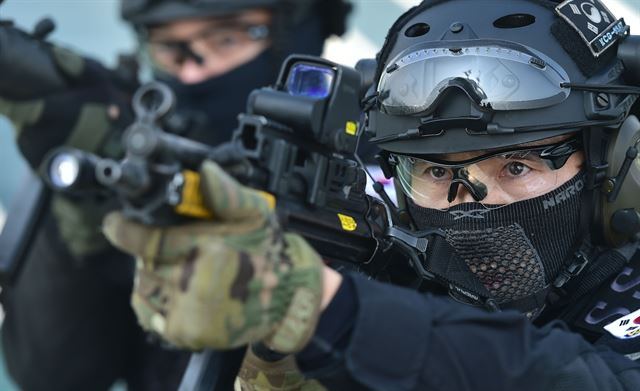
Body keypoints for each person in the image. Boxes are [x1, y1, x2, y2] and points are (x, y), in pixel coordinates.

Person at [103, 0, 640, 389]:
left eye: (517, 166)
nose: (471, 201)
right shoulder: (396, 275)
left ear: (612, 166)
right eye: (434, 172)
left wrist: (335, 312)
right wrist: (280, 344)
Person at [0, 0, 352, 390]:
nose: (192, 72)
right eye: (169, 49)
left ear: (301, 31)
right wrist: (86, 215)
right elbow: (53, 374)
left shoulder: (388, 182)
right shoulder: (140, 160)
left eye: (226, 38)